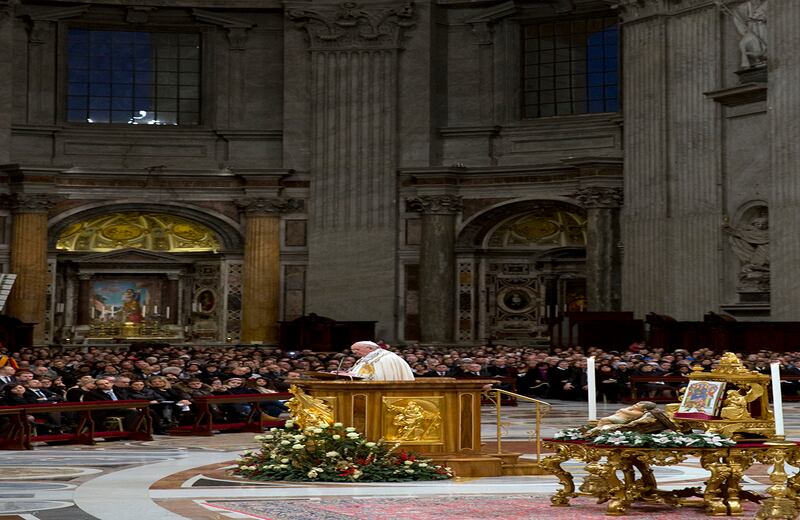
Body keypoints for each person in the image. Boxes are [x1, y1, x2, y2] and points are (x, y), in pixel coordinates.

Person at [344, 341, 415, 381]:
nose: (354, 352)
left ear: (370, 348)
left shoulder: (387, 358)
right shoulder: (365, 359)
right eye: (353, 350)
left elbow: (384, 377)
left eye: (357, 349)